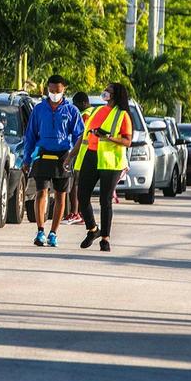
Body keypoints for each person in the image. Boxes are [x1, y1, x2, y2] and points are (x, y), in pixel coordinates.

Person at [21, 74, 84, 248]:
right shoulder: (39, 109)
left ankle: (53, 233)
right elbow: (30, 135)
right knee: (41, 192)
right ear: (47, 89)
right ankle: (40, 230)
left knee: (60, 195)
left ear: (64, 89)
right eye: (51, 90)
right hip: (43, 154)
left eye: (57, 90)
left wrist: (72, 154)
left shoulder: (71, 111)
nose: (54, 93)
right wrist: (26, 159)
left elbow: (80, 134)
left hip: (63, 156)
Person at [75, 82, 134, 252]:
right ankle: (93, 229)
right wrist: (72, 155)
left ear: (116, 95)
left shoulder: (123, 115)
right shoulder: (97, 111)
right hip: (91, 156)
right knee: (82, 196)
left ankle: (105, 239)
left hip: (111, 161)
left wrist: (108, 137)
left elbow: (127, 141)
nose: (105, 92)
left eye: (108, 91)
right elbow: (84, 135)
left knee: (105, 200)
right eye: (105, 90)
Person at [63, 91, 93, 224]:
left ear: (83, 103)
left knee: (75, 184)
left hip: (81, 153)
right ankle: (80, 213)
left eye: (76, 104)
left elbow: (80, 135)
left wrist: (71, 154)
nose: (74, 107)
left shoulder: (85, 115)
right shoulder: (94, 113)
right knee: (81, 185)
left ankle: (75, 213)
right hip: (89, 153)